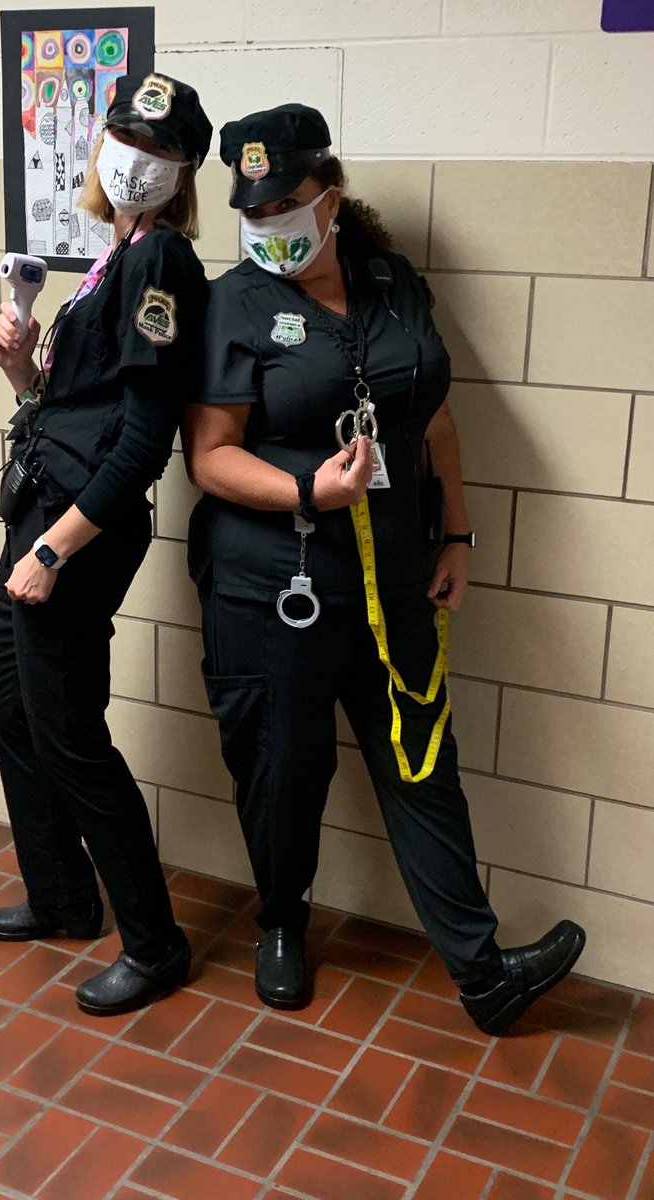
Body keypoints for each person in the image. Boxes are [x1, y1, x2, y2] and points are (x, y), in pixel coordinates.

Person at [182, 103, 586, 1036]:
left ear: (330, 197)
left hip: (397, 574)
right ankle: (282, 924)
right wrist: (309, 491)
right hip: (275, 586)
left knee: (422, 759)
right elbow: (208, 457)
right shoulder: (234, 303)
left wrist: (458, 535)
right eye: (253, 210)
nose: (270, 224)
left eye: (286, 203)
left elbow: (434, 417)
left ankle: (482, 971)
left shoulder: (391, 283)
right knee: (285, 768)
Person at [0, 73, 212, 1017]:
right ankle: (63, 895)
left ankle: (155, 945)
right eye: (125, 139)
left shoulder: (163, 265)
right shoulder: (112, 257)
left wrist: (54, 552)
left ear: (181, 173)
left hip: (79, 528)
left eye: (158, 151)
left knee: (70, 734)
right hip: (45, 506)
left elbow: (145, 442)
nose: (134, 161)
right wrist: (21, 369)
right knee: (5, 700)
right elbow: (78, 410)